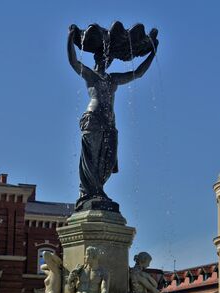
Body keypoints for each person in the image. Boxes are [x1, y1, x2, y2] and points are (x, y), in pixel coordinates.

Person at [67, 24, 157, 208]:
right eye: (103, 58)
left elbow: (137, 74)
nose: (105, 62)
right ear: (97, 59)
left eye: (108, 60)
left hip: (109, 122)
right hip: (92, 119)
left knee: (107, 159)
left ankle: (98, 190)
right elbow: (74, 62)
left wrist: (152, 54)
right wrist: (70, 38)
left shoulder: (113, 79)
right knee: (91, 158)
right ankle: (89, 194)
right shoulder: (91, 76)